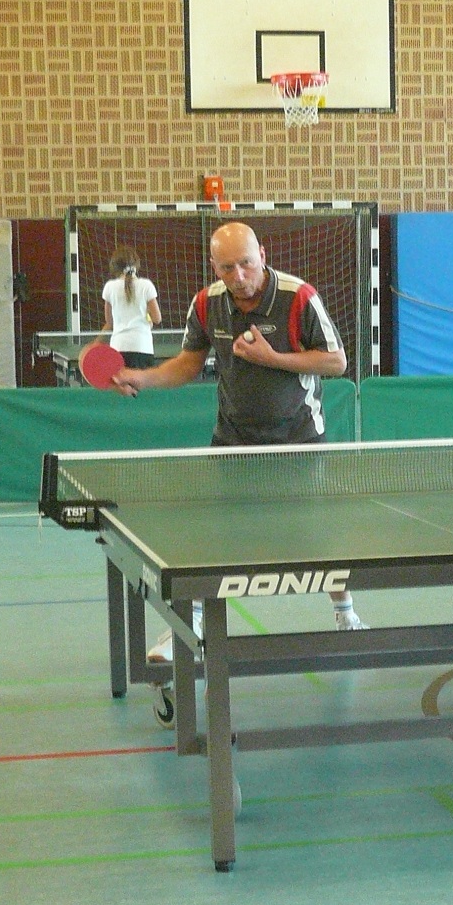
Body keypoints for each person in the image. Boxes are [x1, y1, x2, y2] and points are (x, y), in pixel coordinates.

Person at [111, 221, 364, 662]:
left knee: (315, 534)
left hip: (298, 437)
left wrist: (272, 357)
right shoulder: (207, 303)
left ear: (262, 254)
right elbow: (188, 363)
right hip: (234, 438)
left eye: (246, 263)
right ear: (215, 266)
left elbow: (337, 362)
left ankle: (346, 614)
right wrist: (142, 377)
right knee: (215, 536)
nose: (239, 275)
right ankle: (187, 626)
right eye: (227, 267)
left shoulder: (298, 297)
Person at [96, 248, 162, 370]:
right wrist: (148, 318)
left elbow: (109, 322)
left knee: (120, 383)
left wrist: (96, 342)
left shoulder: (110, 287)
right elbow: (157, 319)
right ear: (136, 264)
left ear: (115, 266)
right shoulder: (146, 285)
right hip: (143, 347)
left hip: (118, 347)